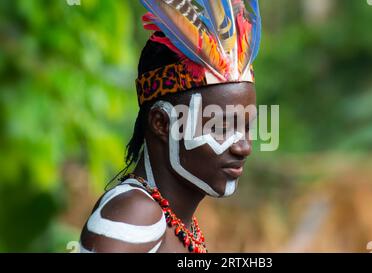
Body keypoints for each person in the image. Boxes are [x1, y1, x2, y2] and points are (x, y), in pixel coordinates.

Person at [80, 0, 261, 253]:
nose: (244, 147)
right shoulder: (135, 215)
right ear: (162, 123)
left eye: (247, 127)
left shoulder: (173, 222)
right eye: (221, 128)